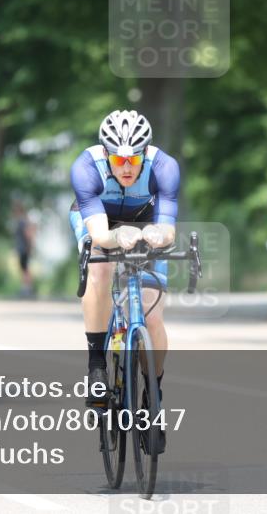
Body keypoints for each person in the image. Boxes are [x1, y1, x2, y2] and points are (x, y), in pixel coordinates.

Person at [69, 109, 179, 450]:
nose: (127, 167)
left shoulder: (164, 167)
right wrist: (119, 237)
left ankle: (154, 394)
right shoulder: (86, 168)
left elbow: (168, 228)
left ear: (145, 153)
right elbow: (101, 235)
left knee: (152, 310)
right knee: (101, 268)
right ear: (106, 153)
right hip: (98, 220)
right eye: (119, 158)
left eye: (134, 158)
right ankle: (98, 365)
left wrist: (158, 237)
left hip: (146, 220)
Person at [13, 202, 36, 298]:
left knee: (25, 268)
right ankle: (27, 287)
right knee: (24, 268)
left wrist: (30, 246)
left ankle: (27, 288)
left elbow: (28, 234)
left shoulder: (22, 221)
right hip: (23, 248)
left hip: (23, 249)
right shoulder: (23, 221)